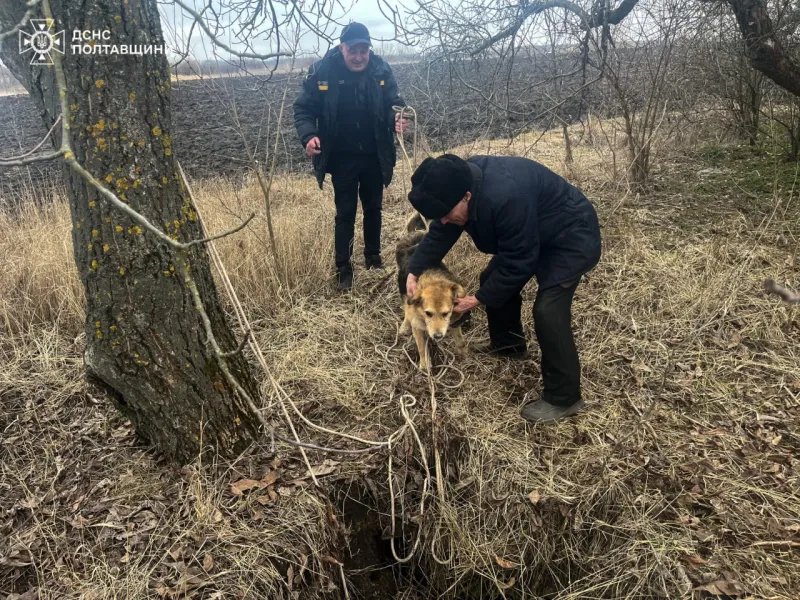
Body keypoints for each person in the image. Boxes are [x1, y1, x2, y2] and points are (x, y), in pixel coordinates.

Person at [405, 154, 602, 423]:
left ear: (466, 197)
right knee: (493, 279)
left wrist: (477, 299)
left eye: (448, 215)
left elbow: (520, 259)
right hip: (531, 232)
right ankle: (509, 346)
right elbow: (441, 231)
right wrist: (414, 270)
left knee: (549, 310)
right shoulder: (456, 181)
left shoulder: (505, 197)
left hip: (570, 235)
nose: (446, 221)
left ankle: (564, 398)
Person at [293, 22, 409, 291]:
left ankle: (373, 258)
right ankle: (343, 269)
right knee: (345, 212)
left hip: (374, 155)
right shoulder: (322, 71)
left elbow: (394, 105)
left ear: (369, 50)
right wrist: (308, 135)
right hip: (341, 157)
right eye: (353, 51)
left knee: (373, 208)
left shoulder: (381, 69)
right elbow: (303, 109)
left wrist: (397, 119)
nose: (358, 57)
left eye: (363, 51)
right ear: (342, 48)